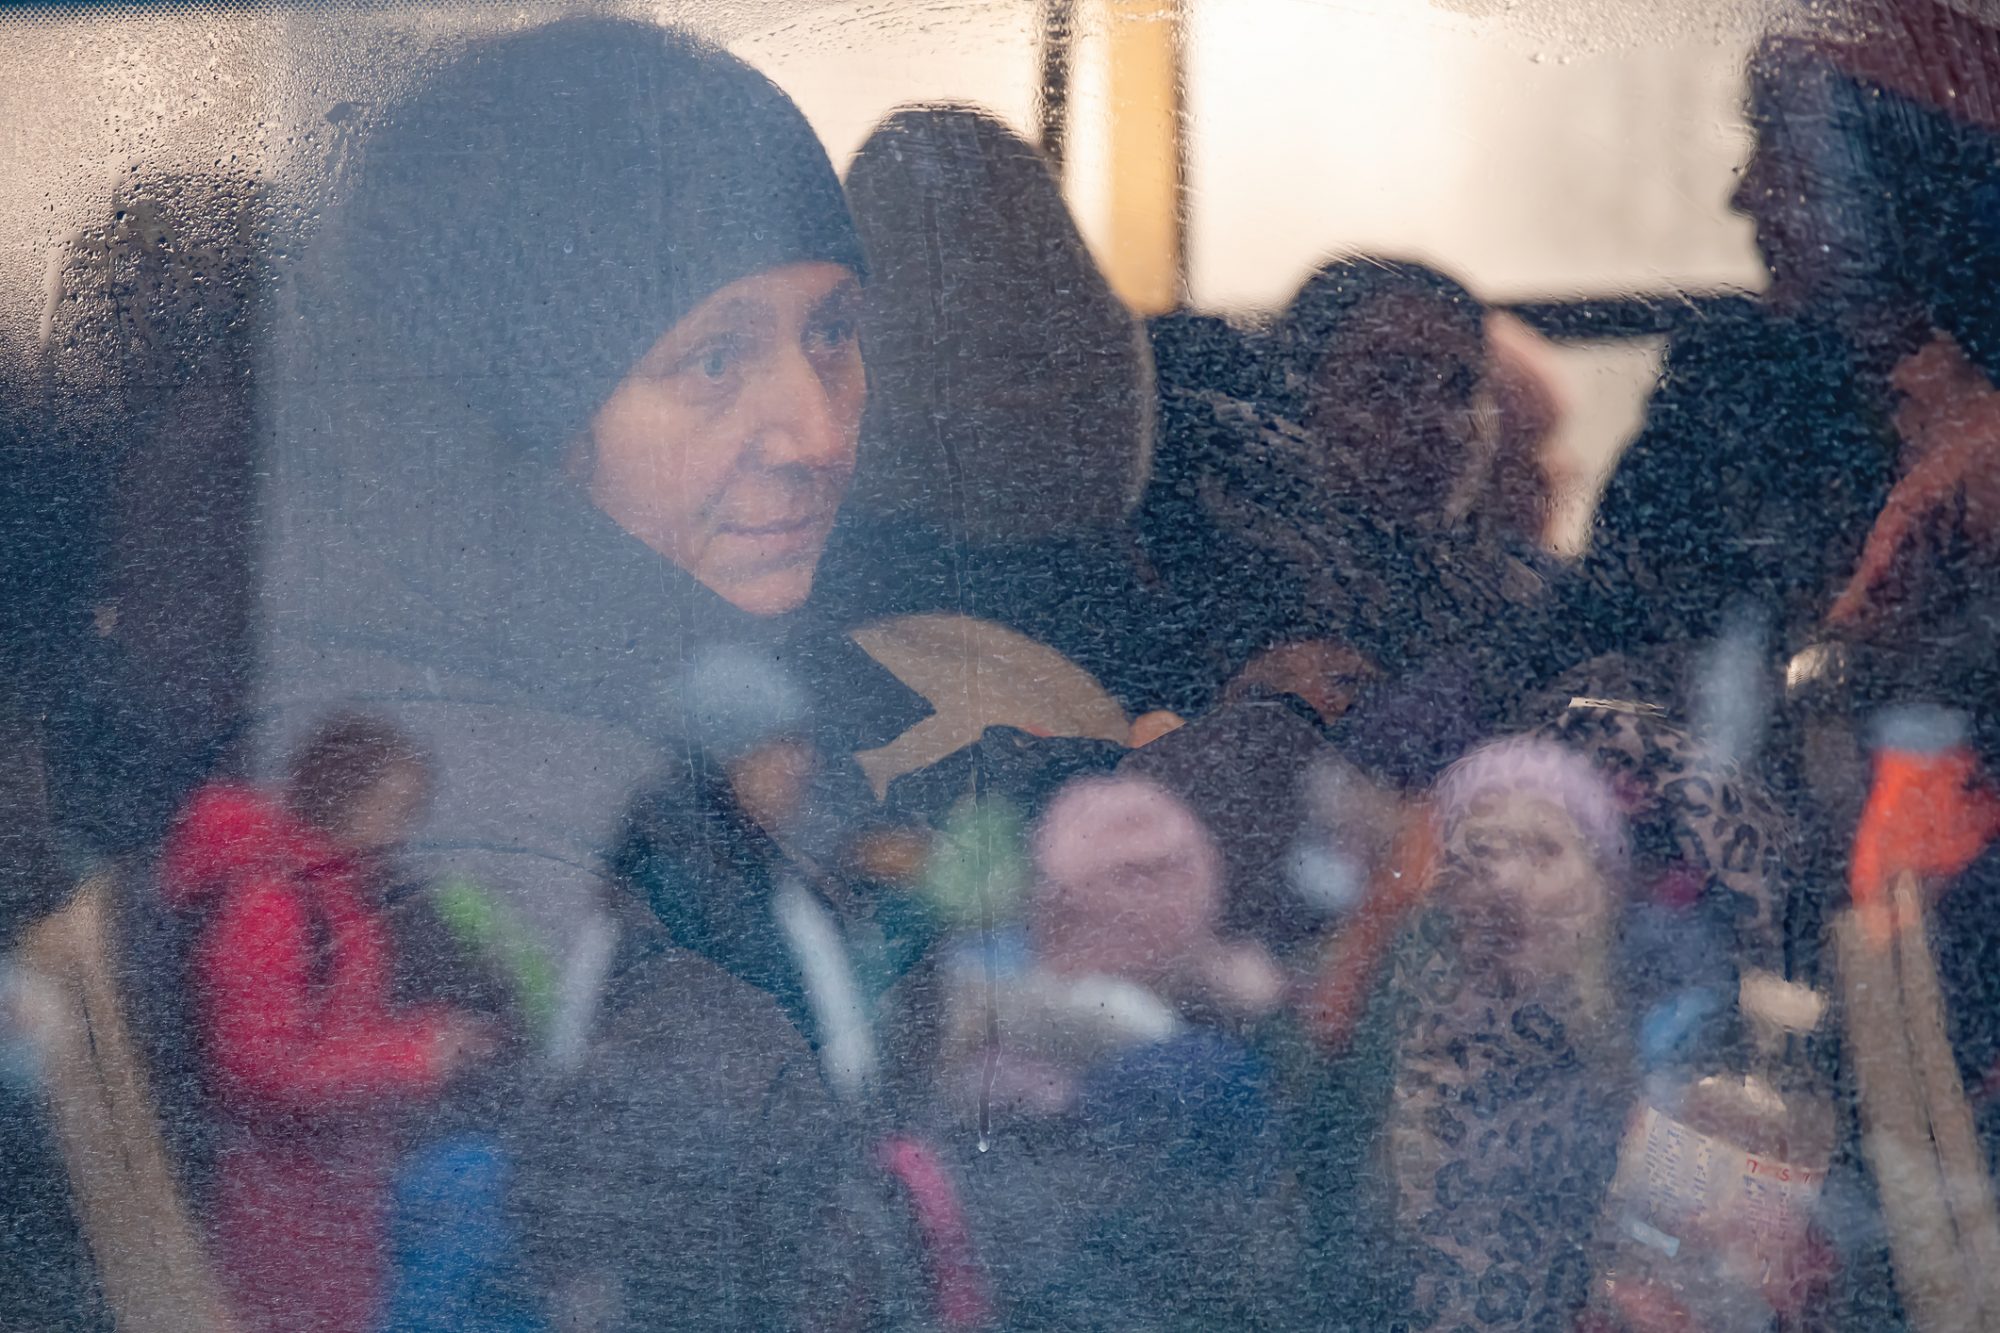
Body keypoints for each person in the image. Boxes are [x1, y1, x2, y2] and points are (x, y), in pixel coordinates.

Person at [257, 19, 964, 1327]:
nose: (814, 432)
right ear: (518, 423)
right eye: (714, 359)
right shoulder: (476, 803)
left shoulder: (707, 697)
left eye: (833, 331)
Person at [158, 715, 493, 1333]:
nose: (404, 825)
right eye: (394, 802)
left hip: (322, 1206)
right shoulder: (275, 903)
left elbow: (324, 1039)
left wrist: (421, 1038)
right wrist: (409, 1055)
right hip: (271, 1209)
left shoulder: (335, 894)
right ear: (341, 795)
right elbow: (257, 1069)